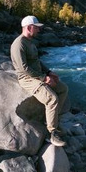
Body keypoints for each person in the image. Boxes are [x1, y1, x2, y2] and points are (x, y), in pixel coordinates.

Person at [11, 15, 69, 147]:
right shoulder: (18, 44)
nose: (38, 30)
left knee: (63, 88)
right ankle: (52, 133)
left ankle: (53, 120)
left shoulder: (30, 42)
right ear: (29, 27)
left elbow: (36, 61)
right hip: (27, 79)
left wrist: (49, 72)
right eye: (36, 28)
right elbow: (24, 68)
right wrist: (44, 78)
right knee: (52, 98)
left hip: (37, 75)